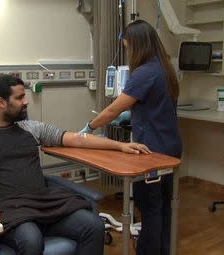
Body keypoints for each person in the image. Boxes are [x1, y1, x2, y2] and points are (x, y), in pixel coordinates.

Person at [0, 74, 151, 255]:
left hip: (43, 202)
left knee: (94, 226)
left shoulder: (30, 128)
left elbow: (76, 139)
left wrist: (120, 146)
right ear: (1, 102)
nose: (26, 102)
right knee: (31, 239)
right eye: (19, 98)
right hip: (6, 208)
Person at [80, 20, 182, 255]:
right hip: (171, 146)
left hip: (151, 152)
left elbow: (112, 110)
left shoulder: (145, 73)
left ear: (138, 45)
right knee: (165, 206)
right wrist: (132, 113)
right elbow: (152, 106)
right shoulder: (164, 69)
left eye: (128, 47)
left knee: (150, 208)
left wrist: (90, 127)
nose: (129, 52)